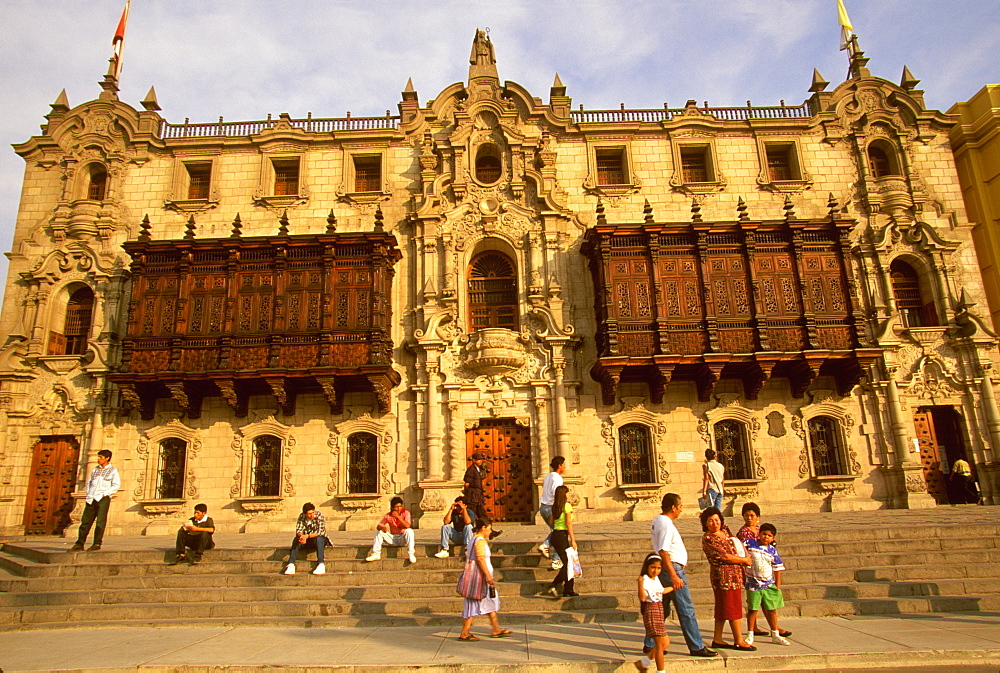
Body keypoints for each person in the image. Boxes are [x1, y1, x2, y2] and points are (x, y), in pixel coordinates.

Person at [646, 492, 716, 658]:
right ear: (673, 507)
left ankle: (650, 643)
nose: (681, 510)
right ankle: (696, 646)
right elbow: (663, 551)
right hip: (671, 570)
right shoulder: (666, 524)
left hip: (670, 568)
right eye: (680, 507)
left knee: (661, 608)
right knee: (686, 608)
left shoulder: (659, 520)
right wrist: (674, 574)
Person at [700, 506, 755, 651]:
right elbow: (724, 556)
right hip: (724, 577)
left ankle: (717, 638)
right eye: (710, 521)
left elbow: (737, 542)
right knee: (732, 608)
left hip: (736, 575)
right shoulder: (708, 538)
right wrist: (744, 561)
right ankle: (739, 640)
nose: (714, 523)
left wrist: (745, 556)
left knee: (723, 609)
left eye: (716, 519)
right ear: (705, 523)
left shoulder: (725, 531)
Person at [457, 515, 512, 641]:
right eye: (489, 529)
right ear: (483, 528)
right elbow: (480, 559)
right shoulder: (479, 541)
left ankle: (496, 628)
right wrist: (488, 576)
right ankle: (465, 632)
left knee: (490, 601)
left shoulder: (474, 540)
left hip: (480, 577)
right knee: (472, 604)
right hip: (479, 578)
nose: (490, 532)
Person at [745, 522, 791, 645]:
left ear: (773, 538)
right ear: (759, 534)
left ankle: (775, 633)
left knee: (771, 609)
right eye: (764, 534)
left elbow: (777, 569)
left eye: (769, 536)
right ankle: (750, 634)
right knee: (753, 609)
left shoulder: (772, 551)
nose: (766, 537)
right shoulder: (750, 543)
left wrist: (778, 586)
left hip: (768, 584)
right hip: (753, 584)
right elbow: (740, 548)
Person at [70, 449, 120, 552]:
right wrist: (89, 494)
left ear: (107, 458)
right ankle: (79, 543)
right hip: (91, 498)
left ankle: (97, 543)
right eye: (98, 457)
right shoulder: (95, 470)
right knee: (85, 522)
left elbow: (116, 485)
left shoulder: (112, 470)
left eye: (101, 457)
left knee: (100, 522)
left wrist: (104, 494)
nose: (98, 459)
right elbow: (89, 482)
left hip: (103, 498)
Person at [633, 553, 674, 673]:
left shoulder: (656, 579)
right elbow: (642, 598)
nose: (655, 571)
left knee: (665, 643)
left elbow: (662, 591)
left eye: (658, 568)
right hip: (651, 611)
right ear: (647, 567)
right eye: (653, 567)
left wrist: (674, 587)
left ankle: (643, 663)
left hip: (659, 610)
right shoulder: (645, 580)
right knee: (660, 645)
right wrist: (640, 583)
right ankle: (660, 671)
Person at [542, 484, 578, 599]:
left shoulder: (555, 506)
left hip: (555, 536)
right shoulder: (567, 506)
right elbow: (568, 524)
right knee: (568, 563)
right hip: (562, 535)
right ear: (564, 494)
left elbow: (551, 521)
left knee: (569, 562)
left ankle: (568, 589)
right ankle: (554, 585)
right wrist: (573, 540)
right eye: (567, 492)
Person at [283, 502, 331, 575]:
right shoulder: (301, 516)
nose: (312, 515)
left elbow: (320, 531)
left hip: (318, 539)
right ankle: (291, 564)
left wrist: (307, 536)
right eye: (309, 513)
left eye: (312, 513)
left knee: (319, 539)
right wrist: (302, 536)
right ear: (305, 514)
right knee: (296, 539)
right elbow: (299, 530)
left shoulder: (319, 515)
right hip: (306, 540)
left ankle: (321, 564)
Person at [366, 496, 416, 563]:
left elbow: (407, 525)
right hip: (393, 538)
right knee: (378, 532)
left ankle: (411, 554)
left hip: (403, 538)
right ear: (392, 508)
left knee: (409, 531)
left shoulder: (406, 513)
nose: (398, 509)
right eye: (396, 507)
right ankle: (376, 554)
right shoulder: (388, 515)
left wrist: (398, 517)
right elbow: (379, 526)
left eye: (400, 506)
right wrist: (382, 527)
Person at [538, 456, 565, 559]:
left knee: (556, 531)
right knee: (560, 533)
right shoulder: (557, 478)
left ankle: (547, 548)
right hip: (551, 508)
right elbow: (556, 493)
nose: (565, 467)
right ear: (559, 465)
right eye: (564, 465)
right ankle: (553, 556)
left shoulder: (547, 476)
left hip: (543, 508)